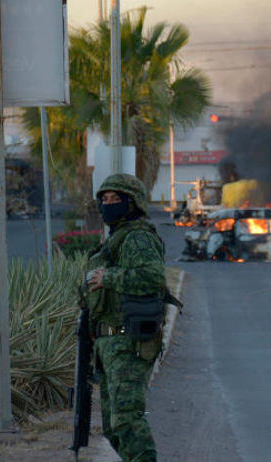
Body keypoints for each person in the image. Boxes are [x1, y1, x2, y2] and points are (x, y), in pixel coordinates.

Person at [84, 173, 166, 462]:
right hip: (108, 342)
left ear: (132, 203)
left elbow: (153, 276)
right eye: (104, 200)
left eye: (115, 199)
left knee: (127, 420)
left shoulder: (138, 237)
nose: (108, 205)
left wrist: (109, 278)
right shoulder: (116, 237)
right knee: (113, 427)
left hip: (129, 342)